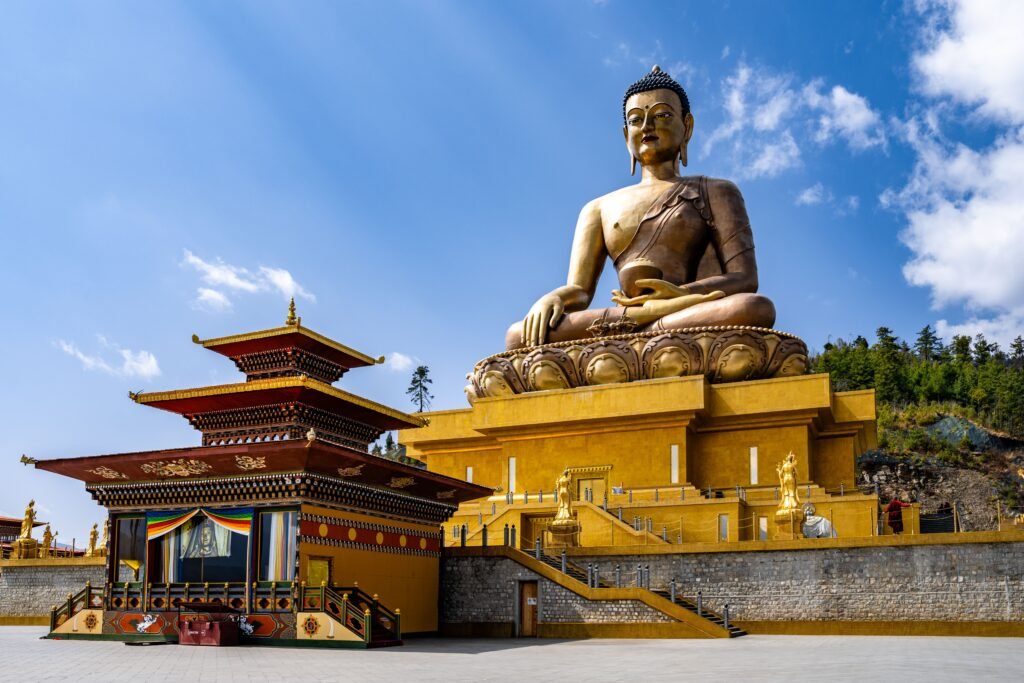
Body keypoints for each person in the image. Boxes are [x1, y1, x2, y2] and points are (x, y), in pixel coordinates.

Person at [507, 66, 775, 349]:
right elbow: (580, 291)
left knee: (754, 308)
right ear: (626, 136)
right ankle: (648, 331)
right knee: (518, 336)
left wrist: (678, 295)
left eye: (662, 115)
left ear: (687, 127)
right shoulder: (598, 208)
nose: (647, 125)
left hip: (686, 310)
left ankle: (639, 335)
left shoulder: (716, 191)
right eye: (636, 120)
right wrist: (556, 298)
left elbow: (744, 279)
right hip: (631, 316)